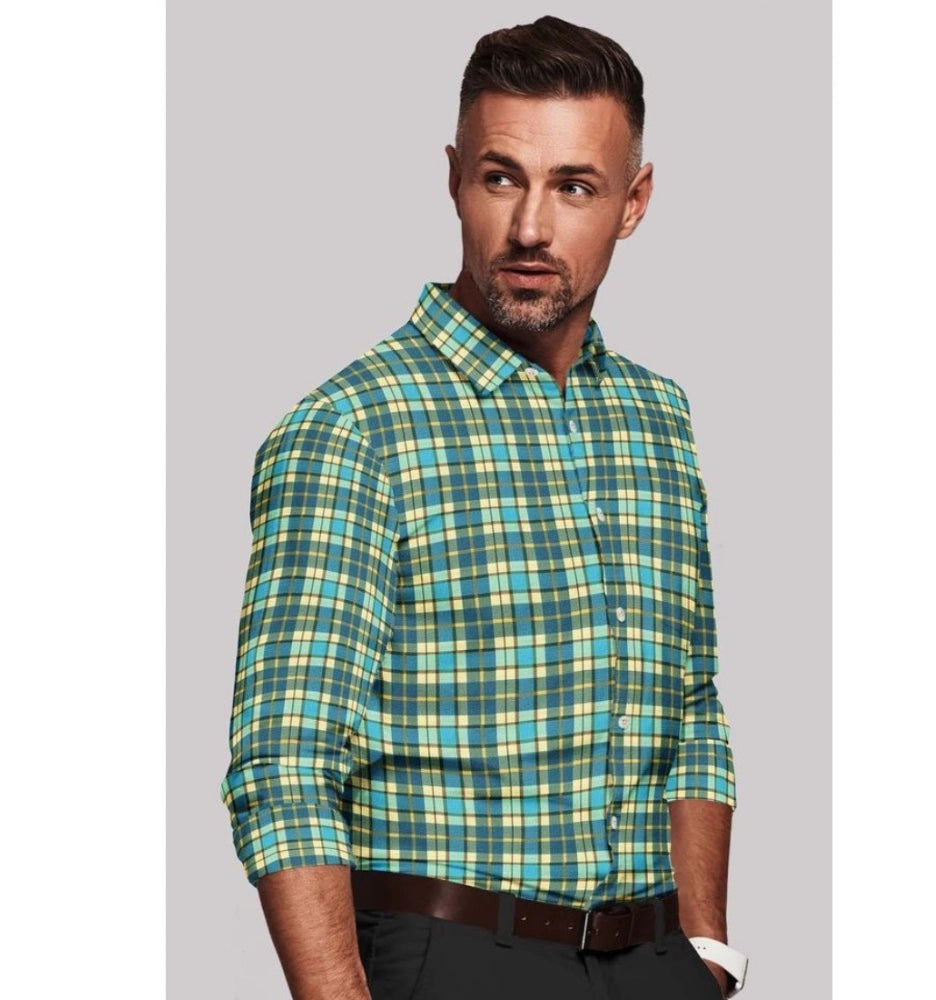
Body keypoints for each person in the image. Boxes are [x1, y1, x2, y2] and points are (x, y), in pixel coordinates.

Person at [222, 15, 747, 1000]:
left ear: (633, 202)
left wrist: (706, 950)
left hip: (652, 959)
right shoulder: (354, 427)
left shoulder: (657, 417)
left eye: (575, 186)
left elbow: (691, 707)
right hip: (454, 955)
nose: (532, 228)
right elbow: (283, 765)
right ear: (456, 179)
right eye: (502, 178)